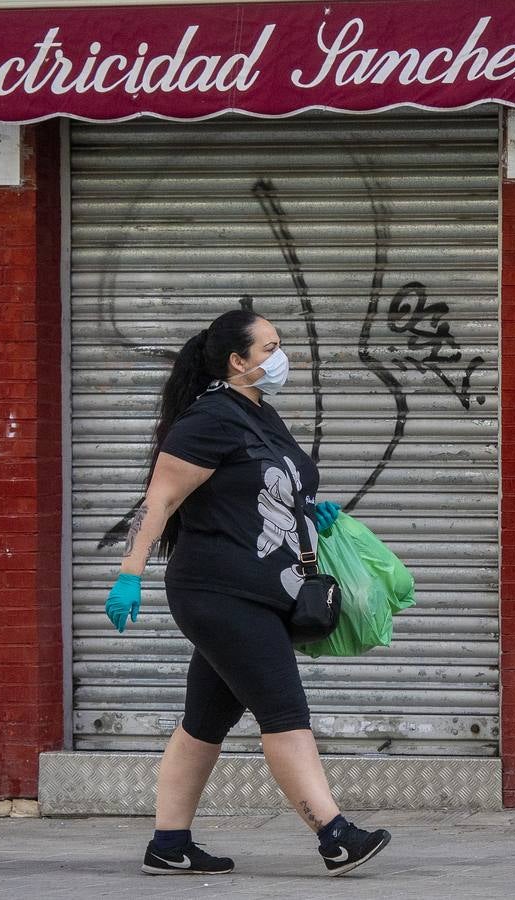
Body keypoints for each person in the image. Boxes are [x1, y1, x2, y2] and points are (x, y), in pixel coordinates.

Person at [104, 308, 392, 877]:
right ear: (237, 361)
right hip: (220, 593)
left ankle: (169, 844)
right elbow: (157, 501)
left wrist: (312, 514)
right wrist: (129, 574)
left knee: (203, 722)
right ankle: (334, 835)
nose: (282, 358)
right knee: (284, 711)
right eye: (270, 348)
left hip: (260, 592)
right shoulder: (208, 420)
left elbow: (264, 491)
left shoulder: (261, 415)